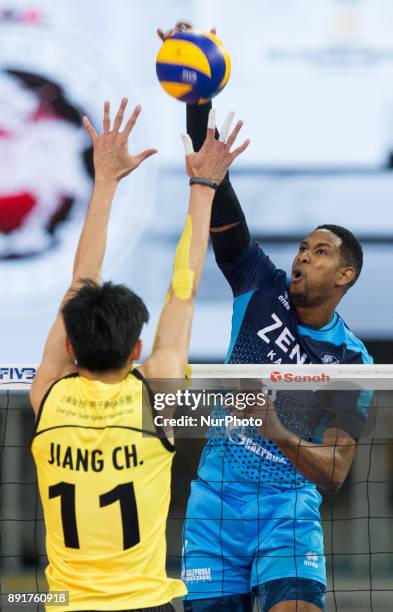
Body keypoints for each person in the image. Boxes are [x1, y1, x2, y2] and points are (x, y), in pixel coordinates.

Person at [158, 22, 373, 612]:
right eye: (303, 247)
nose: (303, 256)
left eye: (320, 252)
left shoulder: (353, 359)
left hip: (288, 518)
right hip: (214, 511)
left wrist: (276, 429)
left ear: (345, 276)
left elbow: (334, 472)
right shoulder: (260, 284)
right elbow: (217, 196)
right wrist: (198, 105)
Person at [30, 97, 250, 611]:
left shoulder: (49, 397)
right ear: (136, 349)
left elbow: (79, 283)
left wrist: (103, 181)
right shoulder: (158, 397)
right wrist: (203, 187)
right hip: (147, 604)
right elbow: (184, 289)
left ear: (69, 344)